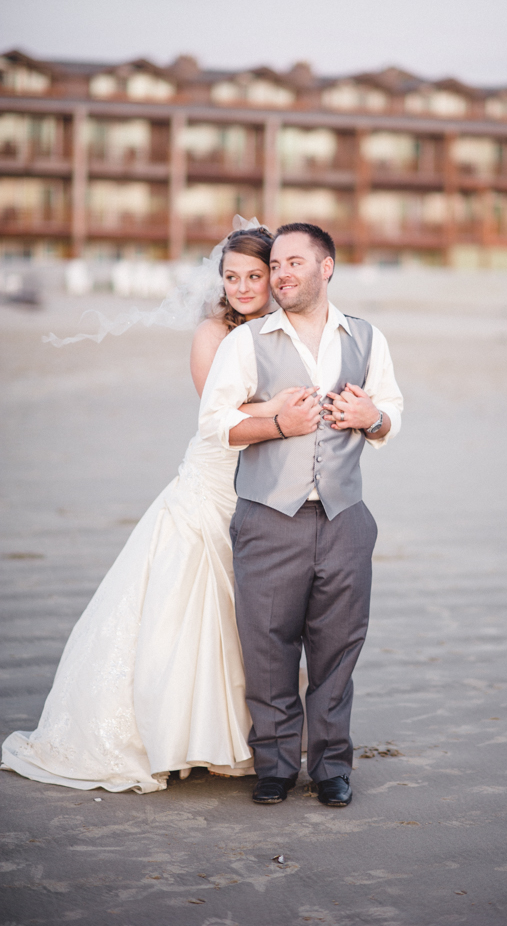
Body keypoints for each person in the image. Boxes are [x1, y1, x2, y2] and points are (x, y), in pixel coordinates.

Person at [1, 225, 291, 794]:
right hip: (211, 482)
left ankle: (237, 735)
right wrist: (279, 405)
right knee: (183, 603)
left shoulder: (285, 332)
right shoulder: (212, 332)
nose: (241, 287)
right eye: (231, 277)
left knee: (249, 613)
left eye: (253, 276)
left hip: (266, 488)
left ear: (274, 277)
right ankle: (173, 737)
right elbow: (216, 408)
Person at [200, 222, 403, 807]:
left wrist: (371, 417)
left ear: (326, 267)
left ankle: (333, 766)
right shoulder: (247, 343)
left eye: (294, 263)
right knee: (267, 648)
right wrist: (276, 424)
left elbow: (390, 415)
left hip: (345, 518)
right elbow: (215, 423)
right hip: (267, 517)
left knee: (338, 649)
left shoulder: (368, 338)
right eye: (277, 265)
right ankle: (275, 765)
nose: (281, 274)